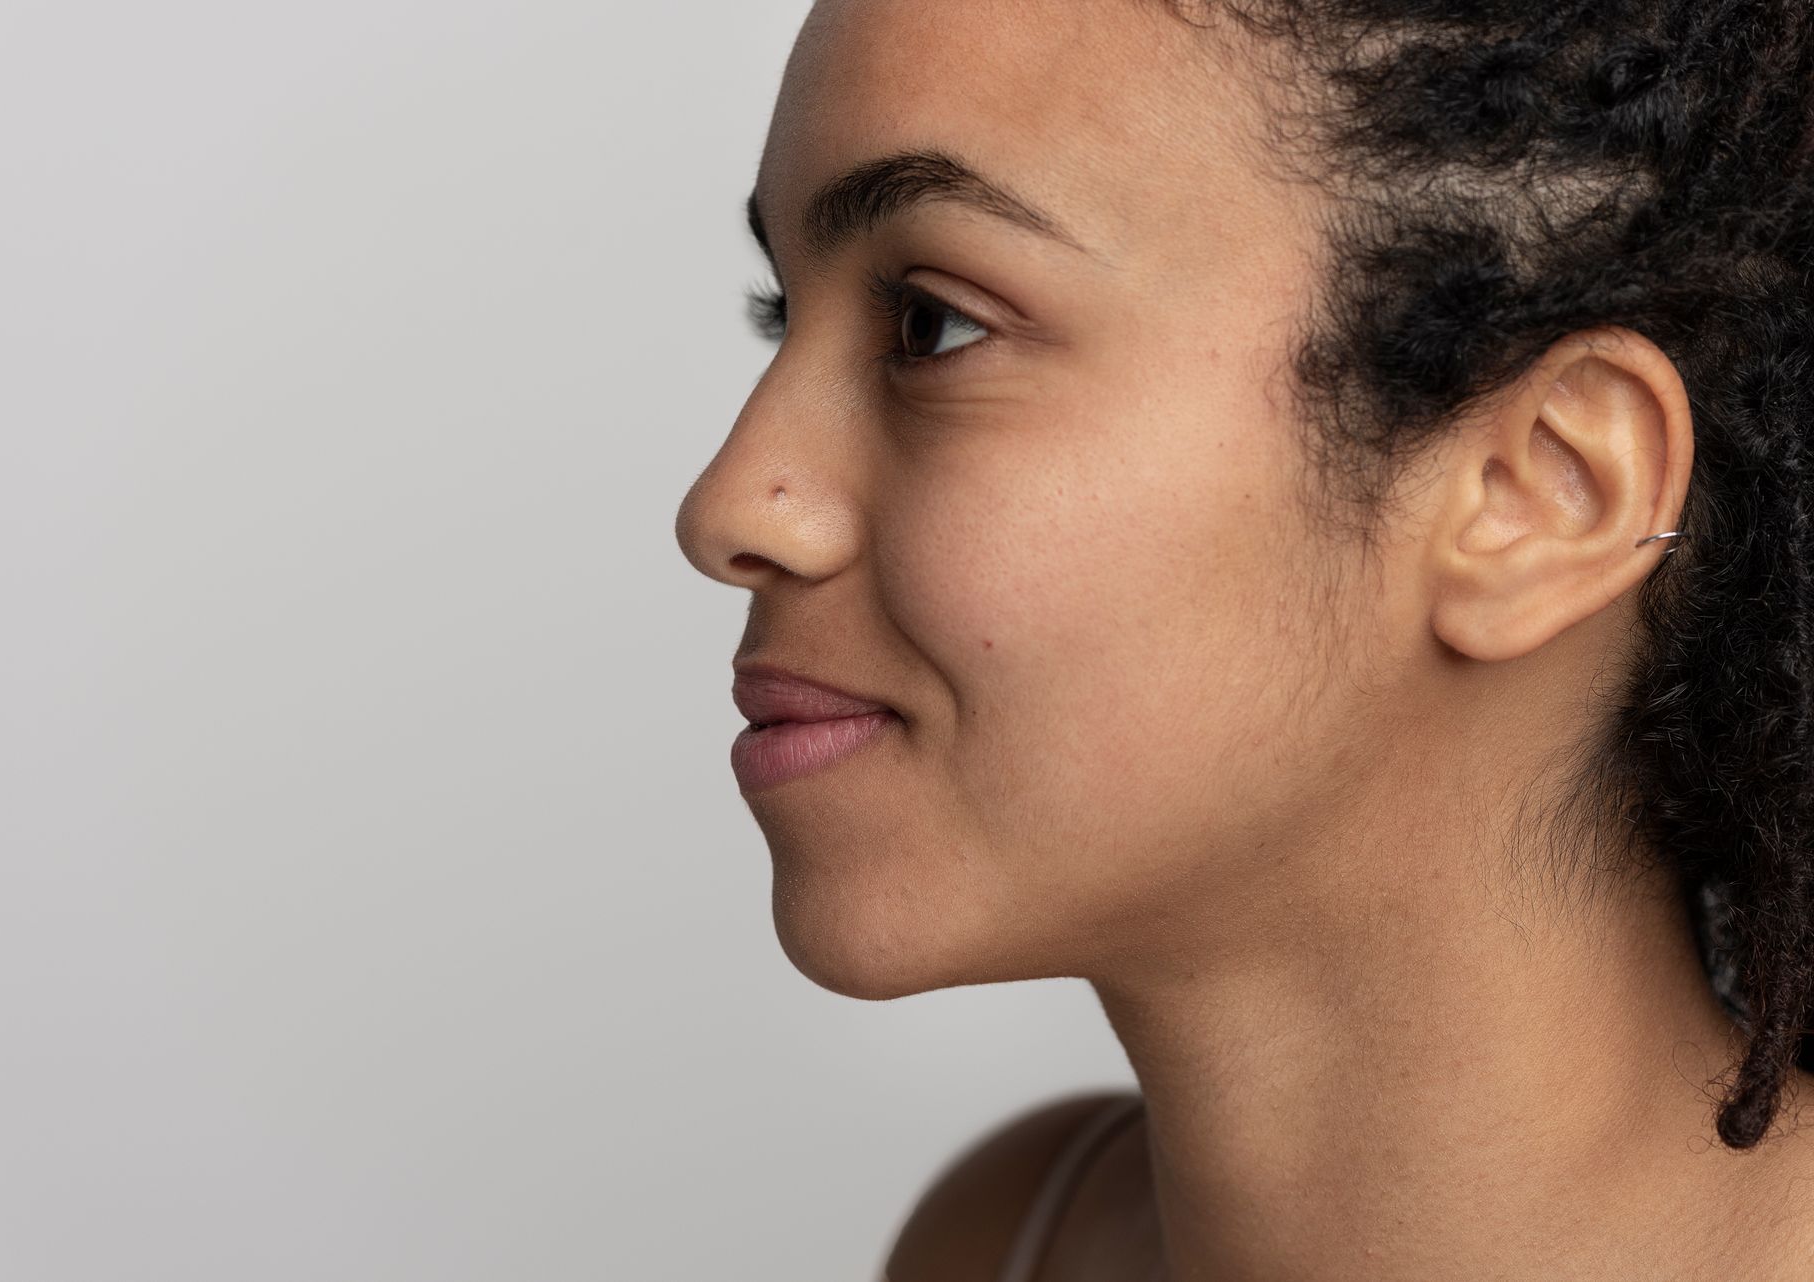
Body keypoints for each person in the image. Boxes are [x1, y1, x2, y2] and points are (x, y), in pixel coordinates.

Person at [674, 0, 1814, 1277]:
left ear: (1540, 495)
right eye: (783, 315)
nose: (727, 506)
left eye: (934, 323)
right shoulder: (1001, 1243)